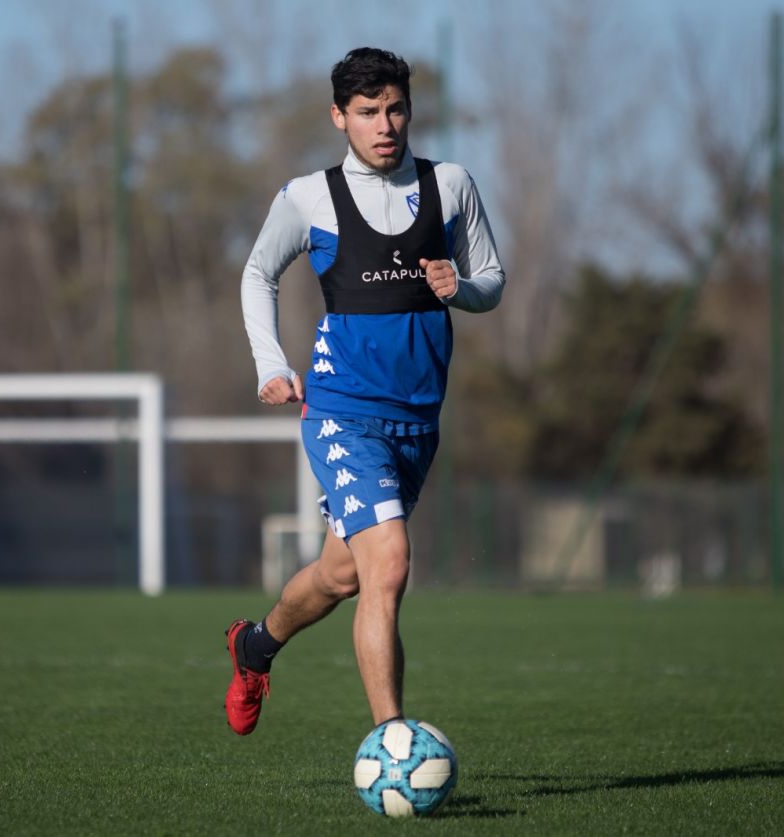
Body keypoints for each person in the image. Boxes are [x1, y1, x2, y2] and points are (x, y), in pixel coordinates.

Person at [226, 46, 505, 736]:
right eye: (367, 111)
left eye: (395, 109)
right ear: (339, 117)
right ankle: (394, 741)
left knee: (342, 574)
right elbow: (258, 273)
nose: (384, 125)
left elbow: (492, 280)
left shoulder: (452, 185)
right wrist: (270, 364)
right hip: (342, 411)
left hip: (418, 420)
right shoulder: (308, 197)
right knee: (389, 564)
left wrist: (461, 289)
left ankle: (255, 645)